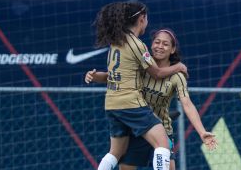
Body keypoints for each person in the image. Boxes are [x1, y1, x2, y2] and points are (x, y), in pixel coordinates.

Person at [86, 28, 217, 170]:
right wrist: (94, 76)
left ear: (173, 50)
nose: (160, 46)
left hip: (162, 129)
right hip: (137, 129)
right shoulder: (140, 66)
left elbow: (187, 103)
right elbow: (111, 76)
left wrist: (202, 132)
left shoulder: (177, 76)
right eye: (157, 42)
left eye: (165, 44)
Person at [92, 1, 188, 170]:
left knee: (115, 152)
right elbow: (156, 73)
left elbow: (114, 75)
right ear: (142, 19)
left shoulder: (116, 41)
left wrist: (96, 77)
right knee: (163, 144)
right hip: (130, 103)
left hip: (112, 103)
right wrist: (179, 67)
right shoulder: (137, 45)